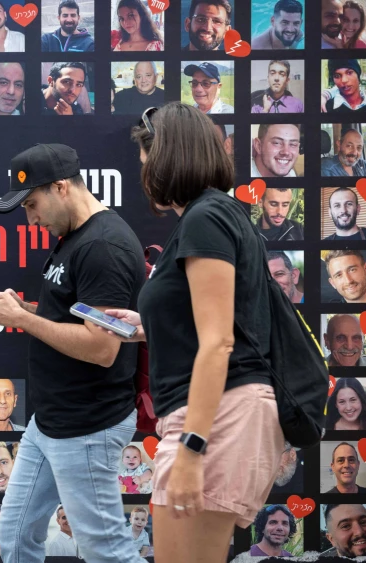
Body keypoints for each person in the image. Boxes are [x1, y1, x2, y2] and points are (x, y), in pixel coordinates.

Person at [111, 102, 289, 563]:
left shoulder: (206, 218)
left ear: (168, 154)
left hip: (215, 418)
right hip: (213, 414)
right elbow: (215, 325)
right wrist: (143, 327)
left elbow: (219, 342)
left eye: (146, 157)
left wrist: (192, 448)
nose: (144, 169)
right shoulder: (211, 215)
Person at [0, 140, 145, 560]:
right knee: (15, 537)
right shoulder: (75, 234)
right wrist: (28, 309)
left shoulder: (102, 245)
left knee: (106, 551)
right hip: (50, 421)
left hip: (87, 425)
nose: (31, 220)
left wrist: (22, 320)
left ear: (61, 188)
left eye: (33, 205)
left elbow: (102, 346)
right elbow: (76, 316)